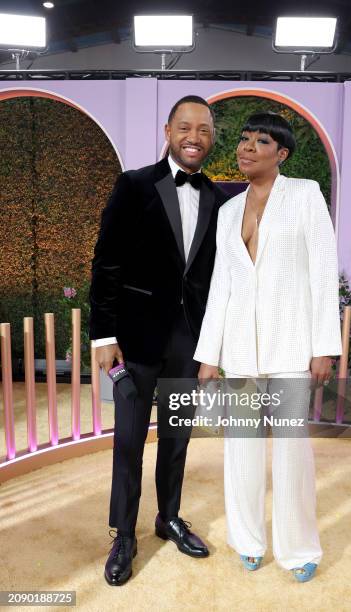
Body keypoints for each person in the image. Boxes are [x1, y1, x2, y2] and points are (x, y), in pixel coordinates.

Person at [194, 112, 342, 582]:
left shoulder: (305, 195)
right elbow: (222, 284)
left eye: (261, 141)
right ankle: (247, 538)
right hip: (239, 348)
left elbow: (322, 273)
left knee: (293, 450)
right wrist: (209, 354)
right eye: (243, 139)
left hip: (293, 345)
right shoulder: (226, 212)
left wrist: (324, 346)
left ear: (281, 154)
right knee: (241, 447)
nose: (247, 147)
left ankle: (298, 549)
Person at [89, 95, 228, 586]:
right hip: (135, 338)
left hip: (188, 343)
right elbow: (106, 262)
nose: (195, 137)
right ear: (168, 131)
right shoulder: (133, 185)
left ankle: (168, 517)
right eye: (186, 127)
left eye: (205, 129)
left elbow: (215, 279)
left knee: (177, 440)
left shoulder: (216, 197)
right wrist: (103, 334)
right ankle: (123, 535)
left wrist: (213, 347)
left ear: (212, 138)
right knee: (129, 443)